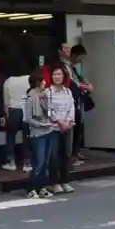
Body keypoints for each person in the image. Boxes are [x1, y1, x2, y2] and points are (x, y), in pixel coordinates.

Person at [23, 68, 55, 198]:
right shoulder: (30, 96)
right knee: (39, 161)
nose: (45, 83)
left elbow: (49, 111)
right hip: (37, 133)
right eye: (43, 81)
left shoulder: (44, 95)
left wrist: (45, 99)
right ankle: (31, 187)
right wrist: (41, 124)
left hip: (48, 130)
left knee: (46, 162)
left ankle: (41, 186)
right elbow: (28, 118)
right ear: (37, 82)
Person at [46, 65, 76, 194]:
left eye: (59, 74)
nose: (57, 77)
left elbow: (72, 107)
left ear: (64, 76)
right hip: (53, 128)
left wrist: (68, 121)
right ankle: (55, 183)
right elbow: (47, 110)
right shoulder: (48, 92)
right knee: (54, 155)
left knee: (66, 154)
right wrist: (59, 121)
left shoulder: (68, 91)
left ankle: (65, 181)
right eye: (54, 75)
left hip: (67, 127)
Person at [0, 71, 31, 172]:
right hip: (27, 109)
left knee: (10, 136)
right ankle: (27, 162)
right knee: (27, 137)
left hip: (14, 110)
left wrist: (6, 114)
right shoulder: (29, 78)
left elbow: (6, 101)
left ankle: (11, 162)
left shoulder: (8, 81)